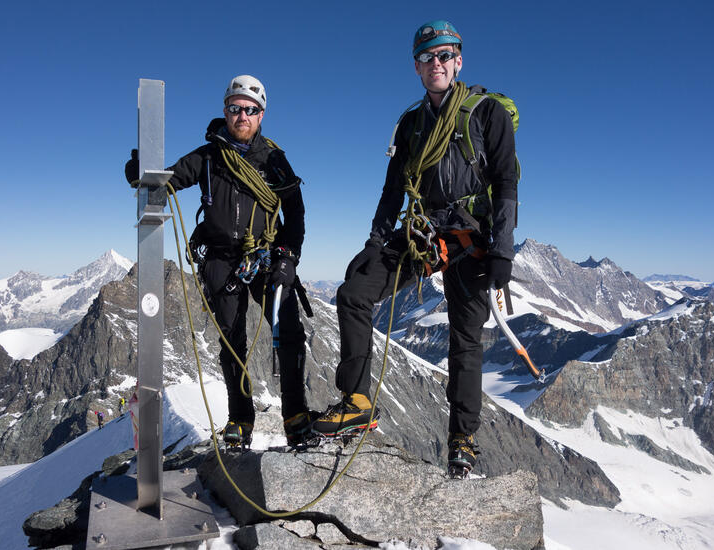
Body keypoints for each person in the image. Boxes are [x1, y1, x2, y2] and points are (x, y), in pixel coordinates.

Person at [311, 21, 517, 477]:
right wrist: (375, 242)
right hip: (423, 233)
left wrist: (502, 250)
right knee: (353, 294)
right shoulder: (410, 124)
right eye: (427, 57)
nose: (436, 64)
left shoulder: (486, 114)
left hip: (472, 239)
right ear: (417, 67)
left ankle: (463, 437)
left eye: (444, 55)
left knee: (465, 339)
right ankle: (358, 399)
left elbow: (505, 184)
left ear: (458, 61)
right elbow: (392, 190)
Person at [125, 75, 314, 448]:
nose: (241, 115)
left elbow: (296, 214)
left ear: (261, 115)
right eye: (235, 108)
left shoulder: (275, 161)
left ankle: (295, 414)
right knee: (231, 341)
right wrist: (143, 178)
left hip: (266, 257)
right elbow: (172, 180)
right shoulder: (209, 156)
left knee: (289, 331)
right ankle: (240, 419)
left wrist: (289, 257)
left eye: (250, 109)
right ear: (225, 111)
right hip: (220, 261)